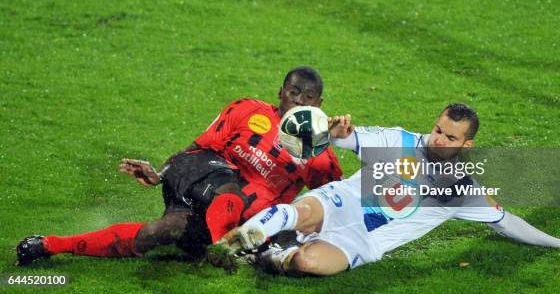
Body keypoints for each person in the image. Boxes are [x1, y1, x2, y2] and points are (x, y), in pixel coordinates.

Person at [223, 103, 560, 276]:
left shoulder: (462, 188)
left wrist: (559, 244)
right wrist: (337, 133)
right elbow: (344, 139)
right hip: (342, 204)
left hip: (364, 241)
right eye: (438, 129)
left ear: (466, 144)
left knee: (311, 263)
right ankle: (247, 239)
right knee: (307, 211)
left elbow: (507, 223)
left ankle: (270, 251)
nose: (438, 138)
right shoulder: (399, 140)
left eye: (450, 136)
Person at [16, 66, 343, 266]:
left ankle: (50, 245)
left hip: (233, 222)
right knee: (228, 185)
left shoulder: (320, 153)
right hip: (204, 179)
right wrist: (160, 174)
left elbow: (332, 202)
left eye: (308, 97)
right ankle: (225, 250)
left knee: (157, 233)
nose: (299, 102)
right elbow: (197, 150)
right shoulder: (246, 111)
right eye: (293, 92)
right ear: (280, 93)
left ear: (319, 105)